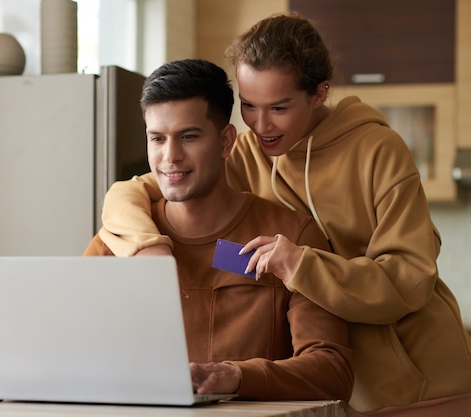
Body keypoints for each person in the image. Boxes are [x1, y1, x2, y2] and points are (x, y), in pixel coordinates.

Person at [96, 13, 471, 417]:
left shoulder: (378, 150)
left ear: (319, 93)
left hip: (422, 381)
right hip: (348, 391)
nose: (261, 125)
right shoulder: (248, 150)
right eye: (249, 106)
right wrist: (148, 248)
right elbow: (134, 192)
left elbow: (411, 280)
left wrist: (301, 263)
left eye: (279, 106)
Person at [84, 58, 353, 401]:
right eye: (157, 139)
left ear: (226, 142)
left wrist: (237, 376)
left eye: (189, 136)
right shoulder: (116, 243)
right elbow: (68, 351)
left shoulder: (293, 237)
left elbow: (333, 371)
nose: (170, 157)